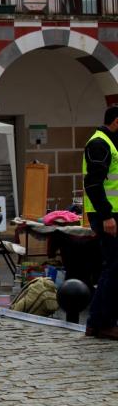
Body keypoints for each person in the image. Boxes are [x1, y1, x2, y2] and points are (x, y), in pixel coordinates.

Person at [82, 106, 118, 340]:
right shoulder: (99, 143)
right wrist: (106, 216)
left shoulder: (109, 143)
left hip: (111, 214)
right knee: (114, 268)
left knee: (114, 268)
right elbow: (93, 184)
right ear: (116, 121)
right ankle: (101, 323)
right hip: (107, 216)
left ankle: (99, 322)